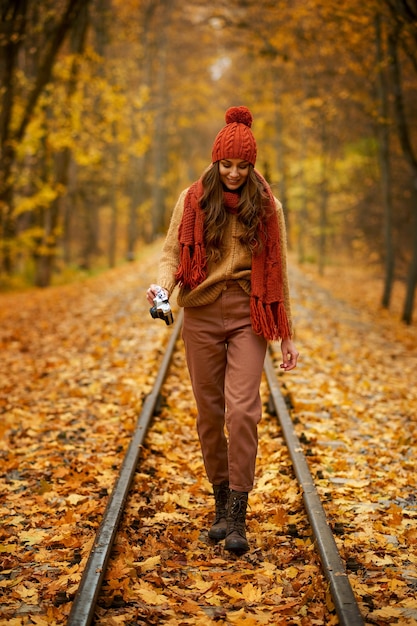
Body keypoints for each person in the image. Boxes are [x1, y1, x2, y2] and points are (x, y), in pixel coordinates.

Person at [147, 106, 298, 554]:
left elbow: (280, 272)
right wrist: (162, 289)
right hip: (201, 312)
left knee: (244, 411)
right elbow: (172, 253)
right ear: (216, 161)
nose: (234, 173)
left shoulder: (269, 206)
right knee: (210, 415)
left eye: (243, 165)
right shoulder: (192, 199)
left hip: (251, 312)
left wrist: (287, 333)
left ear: (253, 165)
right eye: (227, 164)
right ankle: (218, 502)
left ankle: (237, 514)